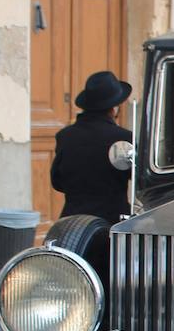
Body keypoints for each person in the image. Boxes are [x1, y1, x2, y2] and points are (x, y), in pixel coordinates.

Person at [51, 70, 133, 222]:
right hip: (111, 222)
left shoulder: (65, 136)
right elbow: (138, 180)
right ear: (114, 109)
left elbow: (57, 181)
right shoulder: (124, 138)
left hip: (73, 221)